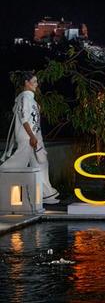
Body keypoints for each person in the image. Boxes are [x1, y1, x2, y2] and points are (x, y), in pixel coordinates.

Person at [1, 71, 59, 204]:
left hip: (34, 136)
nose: (36, 84)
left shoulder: (30, 98)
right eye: (34, 81)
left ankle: (46, 194)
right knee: (19, 161)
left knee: (41, 162)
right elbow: (24, 119)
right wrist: (32, 136)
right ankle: (3, 174)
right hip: (28, 137)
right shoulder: (25, 98)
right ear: (27, 83)